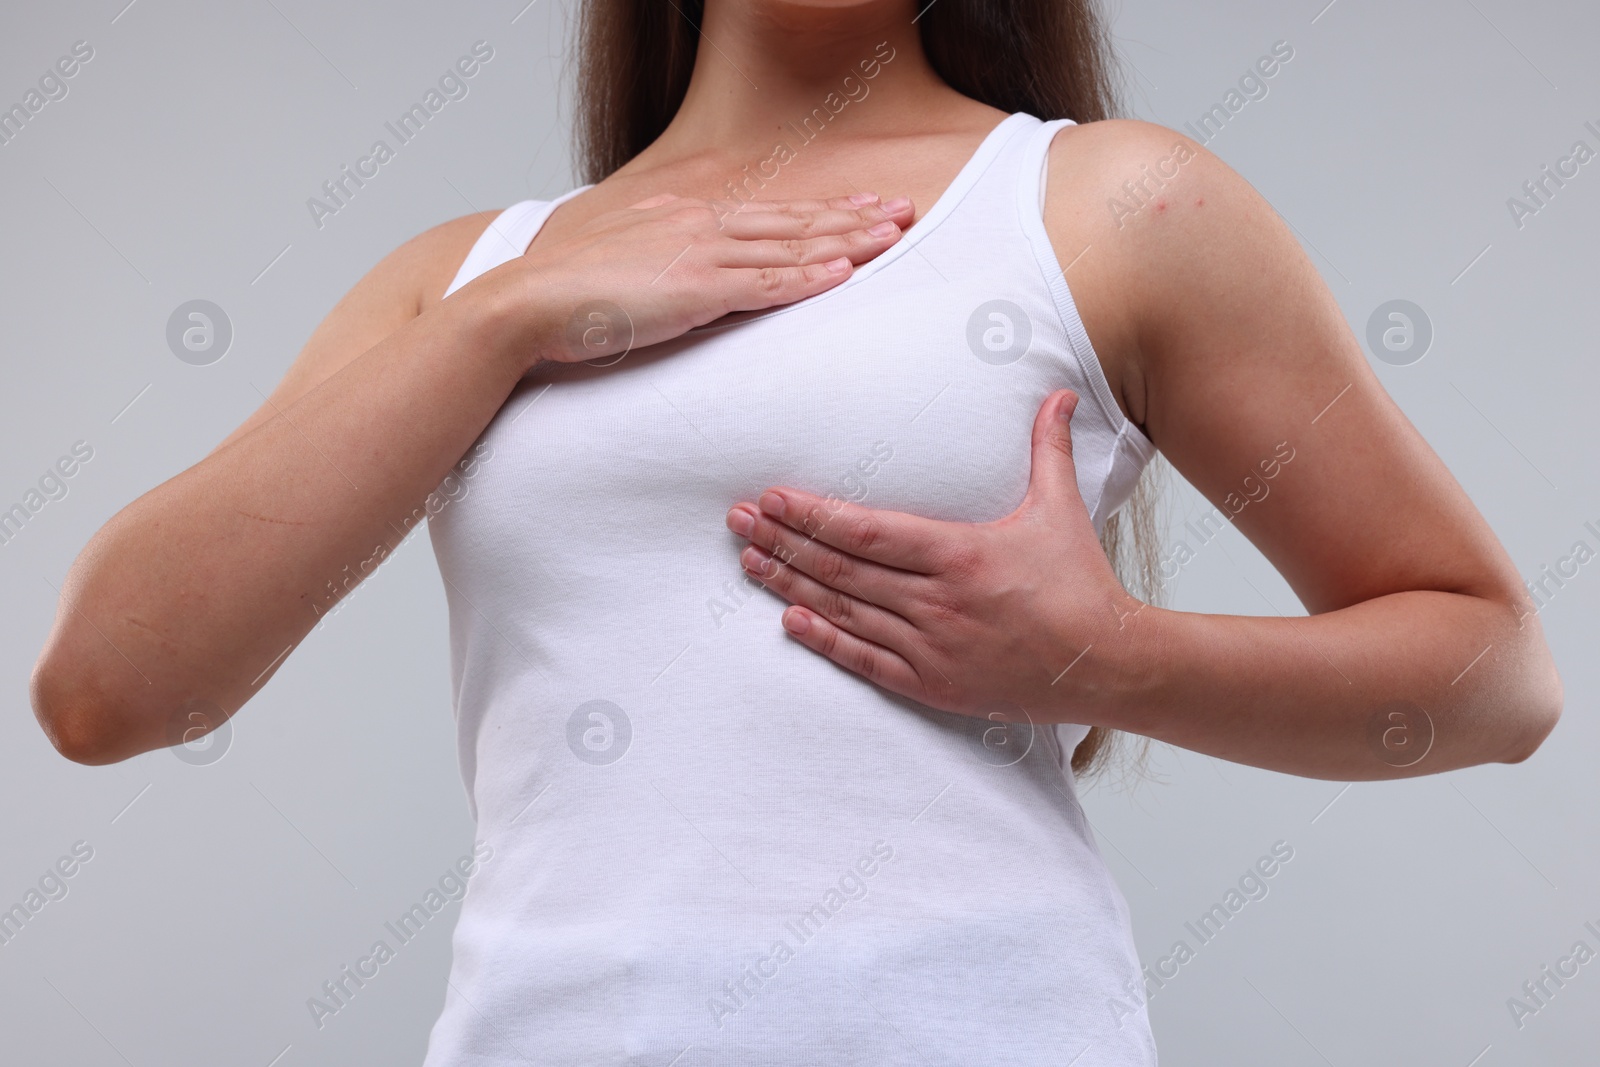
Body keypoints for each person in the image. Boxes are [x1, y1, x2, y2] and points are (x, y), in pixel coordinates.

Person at [31, 1, 1562, 1063]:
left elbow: (1494, 673)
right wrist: (507, 324)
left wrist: (1106, 659)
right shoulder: (470, 277)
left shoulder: (1103, 205)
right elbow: (109, 687)